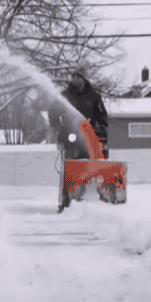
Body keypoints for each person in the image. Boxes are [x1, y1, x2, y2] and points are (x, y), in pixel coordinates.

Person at [48, 71, 110, 210]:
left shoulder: (94, 97)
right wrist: (59, 128)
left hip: (89, 137)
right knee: (69, 168)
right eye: (73, 76)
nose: (74, 78)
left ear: (84, 78)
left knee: (91, 167)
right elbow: (52, 112)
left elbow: (103, 117)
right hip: (69, 136)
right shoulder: (65, 96)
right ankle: (66, 200)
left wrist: (97, 128)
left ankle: (93, 197)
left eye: (78, 76)